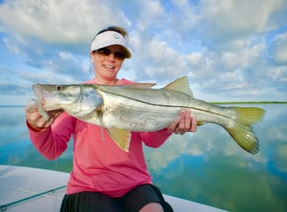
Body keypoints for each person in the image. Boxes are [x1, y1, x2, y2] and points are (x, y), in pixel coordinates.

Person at [25, 26, 197, 212]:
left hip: (136, 184)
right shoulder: (76, 98)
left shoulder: (136, 90)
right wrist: (37, 128)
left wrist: (167, 126)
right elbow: (53, 150)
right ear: (92, 54)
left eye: (119, 54)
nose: (111, 58)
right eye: (104, 51)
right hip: (89, 186)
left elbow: (151, 141)